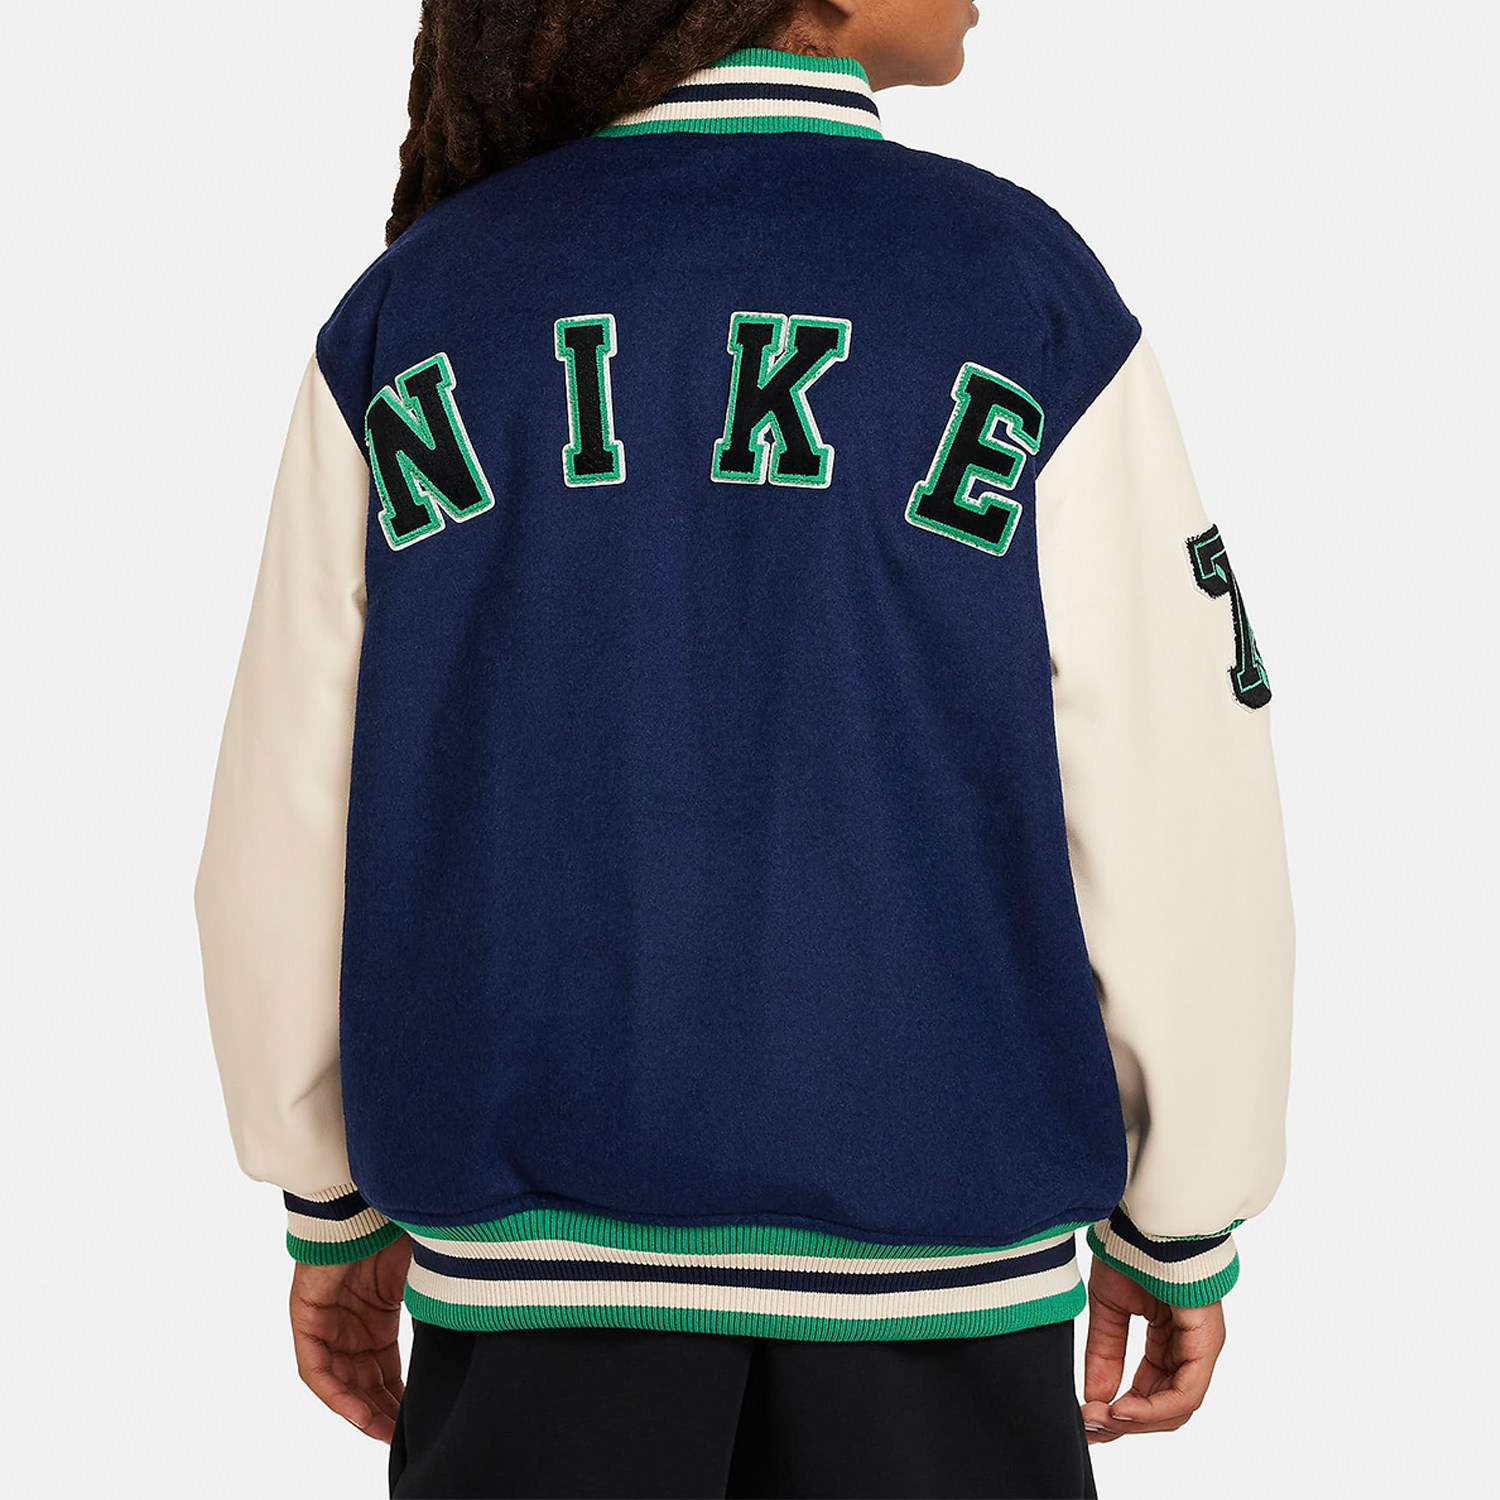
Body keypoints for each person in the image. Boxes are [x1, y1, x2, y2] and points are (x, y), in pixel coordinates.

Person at [195, 1, 1294, 1495]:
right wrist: (1183, 1210)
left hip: (528, 1302)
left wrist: (328, 1192)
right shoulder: (1018, 288)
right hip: (942, 1294)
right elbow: (1174, 798)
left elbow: (287, 813)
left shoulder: (421, 305)